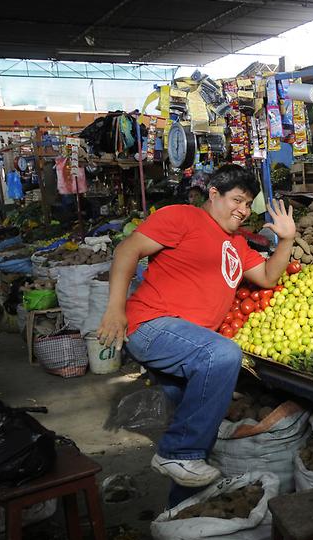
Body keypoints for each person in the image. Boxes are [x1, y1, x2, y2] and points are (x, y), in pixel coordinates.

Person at [97, 164, 296, 503]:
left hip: (189, 345)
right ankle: (178, 452)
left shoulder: (237, 243)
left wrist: (287, 239)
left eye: (248, 204)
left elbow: (266, 277)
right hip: (153, 325)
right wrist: (115, 309)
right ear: (213, 194)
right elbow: (126, 251)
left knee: (197, 436)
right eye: (236, 200)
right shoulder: (183, 217)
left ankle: (180, 509)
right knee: (223, 354)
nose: (243, 210)